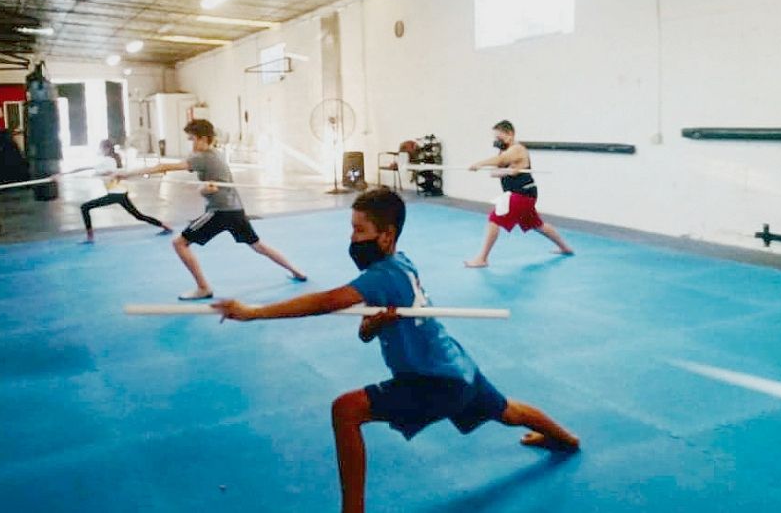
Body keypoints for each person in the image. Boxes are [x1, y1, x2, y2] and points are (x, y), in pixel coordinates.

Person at [212, 188, 580, 513]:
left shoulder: (381, 275)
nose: (352, 238)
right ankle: (565, 439)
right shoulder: (402, 263)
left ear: (386, 236)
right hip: (455, 365)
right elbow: (367, 331)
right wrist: (373, 326)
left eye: (359, 230)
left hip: (434, 381)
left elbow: (326, 301)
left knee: (346, 410)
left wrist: (254, 313)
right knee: (505, 410)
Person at [119, 119, 306, 300]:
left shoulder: (202, 157)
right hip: (235, 209)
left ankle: (203, 288)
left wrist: (126, 173)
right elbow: (211, 188)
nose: (191, 145)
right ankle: (297, 271)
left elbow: (165, 166)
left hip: (220, 212)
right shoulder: (216, 154)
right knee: (257, 245)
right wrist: (205, 190)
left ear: (202, 138)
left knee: (179, 243)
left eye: (192, 139)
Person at [464, 120, 573, 267]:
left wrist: (480, 164)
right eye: (495, 138)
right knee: (537, 224)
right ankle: (565, 248)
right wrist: (507, 171)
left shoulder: (517, 149)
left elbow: (501, 161)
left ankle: (482, 259)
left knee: (494, 219)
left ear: (510, 134)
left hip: (522, 193)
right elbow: (495, 172)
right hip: (520, 194)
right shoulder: (504, 151)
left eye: (499, 137)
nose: (497, 141)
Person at [79, 139, 172, 244]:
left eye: (101, 148)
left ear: (106, 149)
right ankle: (166, 226)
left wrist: (100, 173)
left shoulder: (108, 160)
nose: (100, 150)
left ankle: (90, 237)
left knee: (84, 207)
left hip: (115, 194)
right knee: (138, 216)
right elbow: (110, 172)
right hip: (121, 193)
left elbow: (93, 169)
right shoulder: (112, 159)